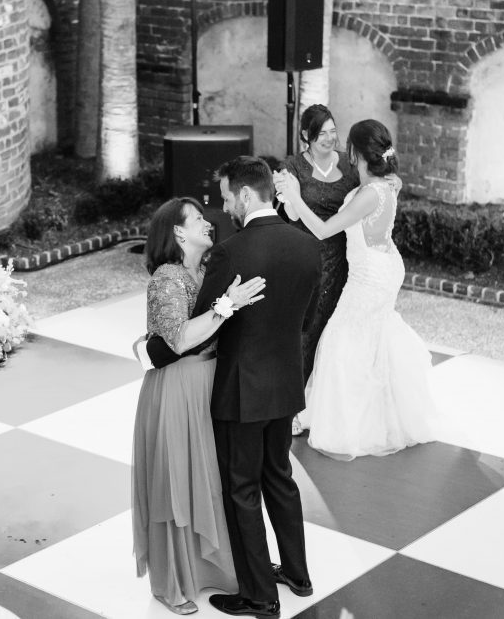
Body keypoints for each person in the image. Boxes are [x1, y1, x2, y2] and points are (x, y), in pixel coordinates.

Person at [145, 157, 320, 619]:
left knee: (241, 489)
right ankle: (298, 575)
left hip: (241, 389)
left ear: (244, 195)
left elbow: (203, 325)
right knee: (279, 477)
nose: (223, 209)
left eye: (226, 198)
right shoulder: (308, 246)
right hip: (285, 383)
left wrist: (151, 350)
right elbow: (306, 322)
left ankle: (259, 596)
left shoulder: (230, 253)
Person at [132, 197, 266, 615]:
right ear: (177, 232)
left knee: (207, 477)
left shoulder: (207, 270)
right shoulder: (167, 278)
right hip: (177, 387)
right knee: (176, 483)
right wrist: (227, 306)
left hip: (210, 382)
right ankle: (171, 585)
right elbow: (177, 339)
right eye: (198, 219)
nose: (209, 223)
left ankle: (211, 571)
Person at [274, 120, 437, 461]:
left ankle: (347, 422)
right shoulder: (383, 185)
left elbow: (323, 230)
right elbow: (387, 187)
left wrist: (295, 197)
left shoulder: (370, 193)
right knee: (370, 337)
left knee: (340, 339)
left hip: (370, 275)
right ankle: (377, 412)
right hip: (382, 265)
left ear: (355, 152)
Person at [277, 105, 359, 436]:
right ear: (305, 136)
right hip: (304, 260)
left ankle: (326, 406)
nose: (329, 138)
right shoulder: (292, 167)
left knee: (333, 333)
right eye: (321, 133)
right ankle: (293, 407)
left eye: (333, 131)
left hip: (342, 260)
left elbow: (371, 189)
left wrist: (391, 180)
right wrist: (291, 194)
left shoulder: (350, 165)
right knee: (304, 332)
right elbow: (293, 216)